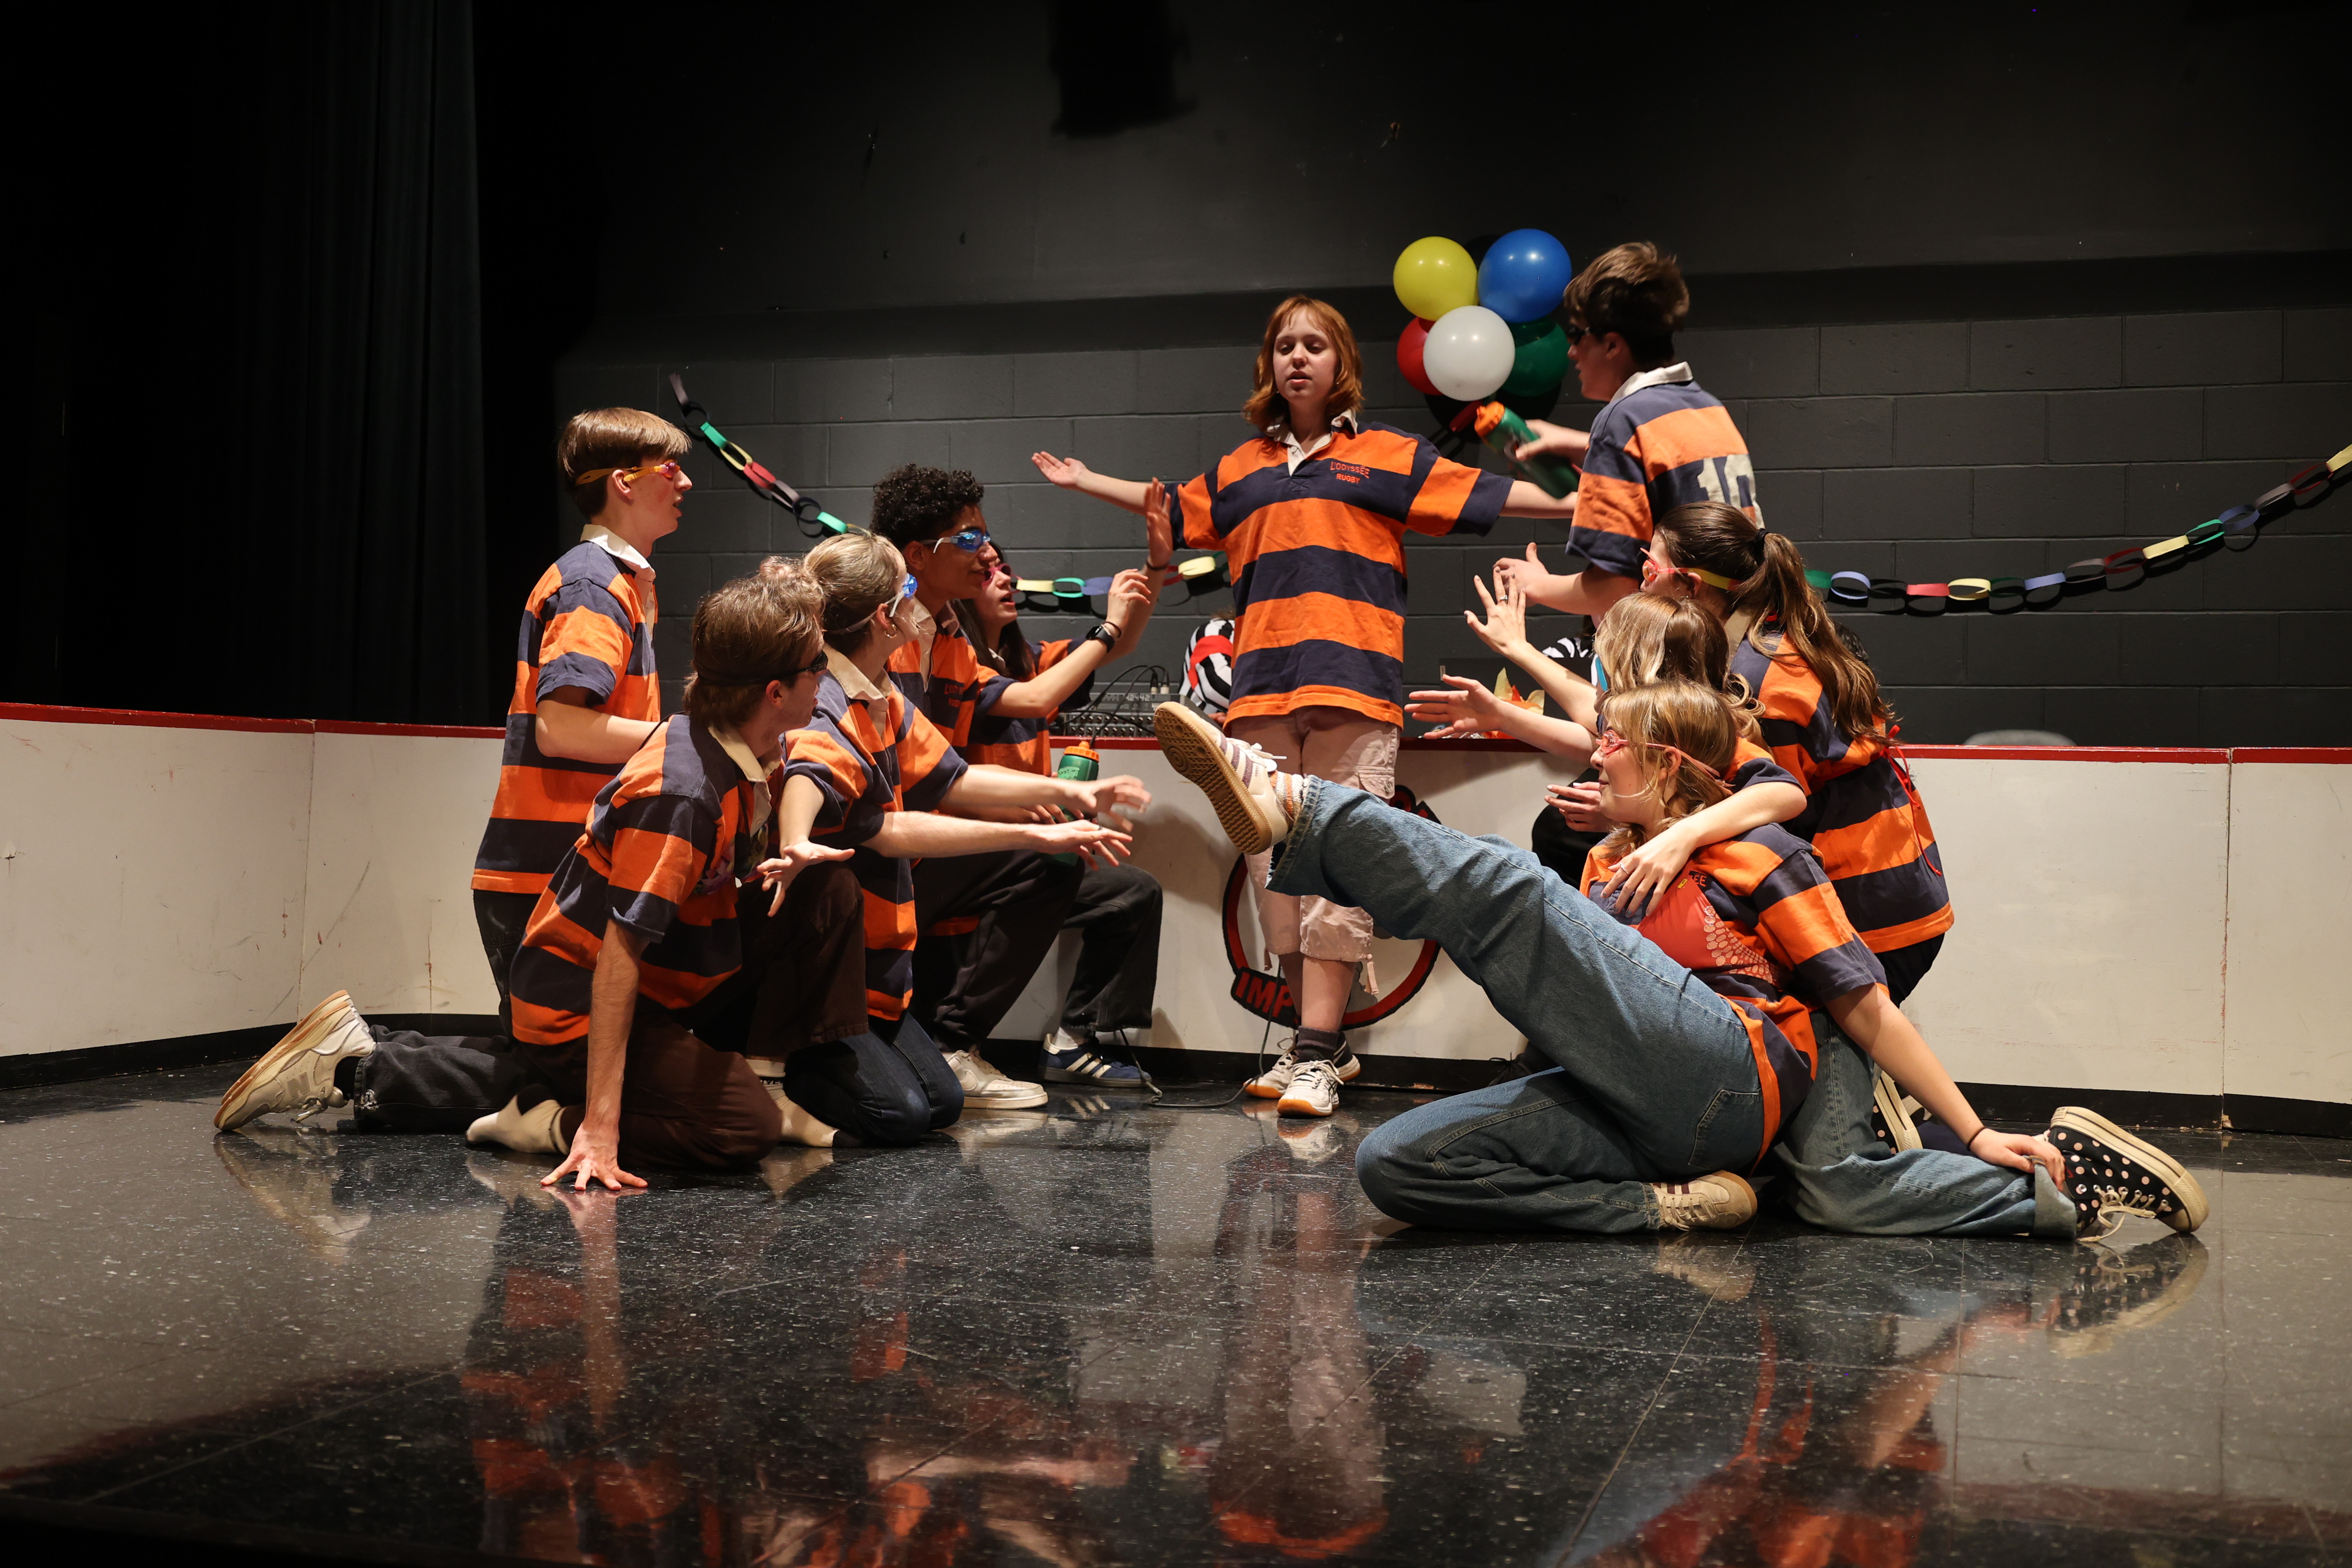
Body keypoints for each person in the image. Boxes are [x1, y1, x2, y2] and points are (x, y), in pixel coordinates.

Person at [1149, 689, 2208, 1243]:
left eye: (1612, 740)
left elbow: (1865, 1008)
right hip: (1645, 1117)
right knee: (1396, 1164)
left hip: (1732, 1076)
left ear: (1671, 764)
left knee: (1514, 889)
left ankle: (1296, 805)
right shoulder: (1610, 862)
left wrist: (1972, 1132)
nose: (1595, 749)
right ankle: (1669, 1211)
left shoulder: (1761, 854)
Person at [1031, 294, 1575, 1117]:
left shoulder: (1388, 455)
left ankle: (1317, 1052)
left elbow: (1489, 493)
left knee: (1339, 867)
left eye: (1314, 344)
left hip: (1354, 689)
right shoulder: (1240, 468)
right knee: (1276, 872)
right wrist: (1083, 481)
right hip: (1258, 696)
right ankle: (1314, 1043)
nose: (1297, 356)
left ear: (1339, 362)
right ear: (1269, 364)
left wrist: (1583, 502)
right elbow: (1166, 503)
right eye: (1284, 344)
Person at [216, 574, 899, 1183]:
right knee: (738, 1129)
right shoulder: (681, 795)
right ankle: (536, 1120)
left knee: (823, 890)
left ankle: (376, 1057)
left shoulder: (750, 748)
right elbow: (618, 958)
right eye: (818, 666)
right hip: (580, 1000)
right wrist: (597, 1128)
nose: (826, 679)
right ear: (775, 692)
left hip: (672, 975)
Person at [782, 531, 1151, 1111]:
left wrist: (1073, 792)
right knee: (902, 1114)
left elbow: (952, 778)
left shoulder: (881, 695)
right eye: (907, 587)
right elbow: (862, 811)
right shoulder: (826, 700)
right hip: (829, 967)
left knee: (940, 1102)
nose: (917, 598)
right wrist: (1032, 833)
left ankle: (912, 1054)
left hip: (877, 958)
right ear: (885, 617)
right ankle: (783, 1080)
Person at [865, 467, 1164, 1089]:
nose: (992, 561)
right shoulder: (883, 637)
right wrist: (1044, 812)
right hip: (872, 855)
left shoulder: (956, 647)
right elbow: (1020, 714)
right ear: (918, 556)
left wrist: (1065, 800)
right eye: (971, 542)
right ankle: (945, 1045)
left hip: (923, 848)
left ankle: (1013, 1042)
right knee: (1046, 855)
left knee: (1106, 878)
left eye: (991, 546)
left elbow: (946, 776)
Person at [471, 409, 692, 1027]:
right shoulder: (593, 585)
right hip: (550, 872)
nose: (685, 482)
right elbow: (561, 728)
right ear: (624, 483)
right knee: (561, 1058)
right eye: (670, 469)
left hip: (568, 867)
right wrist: (689, 740)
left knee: (574, 1059)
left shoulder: (620, 581)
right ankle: (361, 1063)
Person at [955, 560, 1165, 1087]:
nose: (1005, 579)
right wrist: (1109, 624)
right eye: (987, 573)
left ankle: (1075, 1040)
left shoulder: (1028, 659)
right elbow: (1040, 698)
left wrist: (1155, 571)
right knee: (1046, 869)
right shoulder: (958, 666)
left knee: (1132, 892)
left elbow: (1119, 645)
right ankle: (954, 1043)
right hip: (974, 848)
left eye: (1005, 568)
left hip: (1031, 845)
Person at [1492, 242, 1759, 621]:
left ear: (1613, 344)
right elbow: (1672, 470)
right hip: (1737, 634)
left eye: (1576, 334)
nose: (1571, 352)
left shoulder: (1621, 422)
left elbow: (1612, 592)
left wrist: (1534, 583)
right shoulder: (1708, 407)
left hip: (1681, 647)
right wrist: (1584, 446)